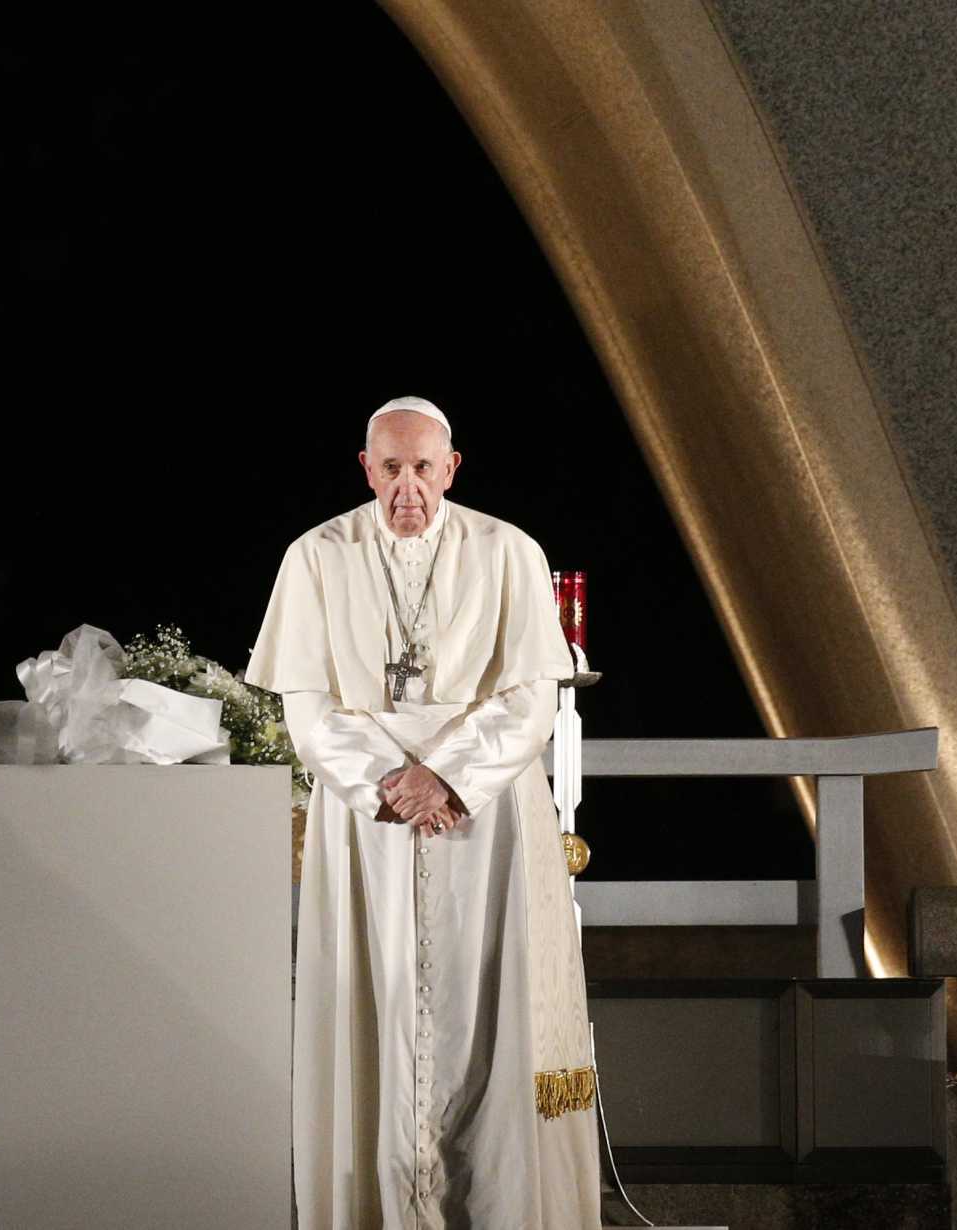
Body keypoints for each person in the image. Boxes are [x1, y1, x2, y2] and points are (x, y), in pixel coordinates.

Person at [246, 396, 600, 1229]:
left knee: (490, 1013)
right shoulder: (317, 557)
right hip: (368, 821)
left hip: (485, 818)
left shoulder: (508, 552)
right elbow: (307, 707)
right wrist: (391, 781)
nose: (409, 489)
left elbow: (529, 700)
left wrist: (445, 776)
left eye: (424, 469)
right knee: (375, 1008)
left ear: (452, 468)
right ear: (366, 468)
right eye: (392, 469)